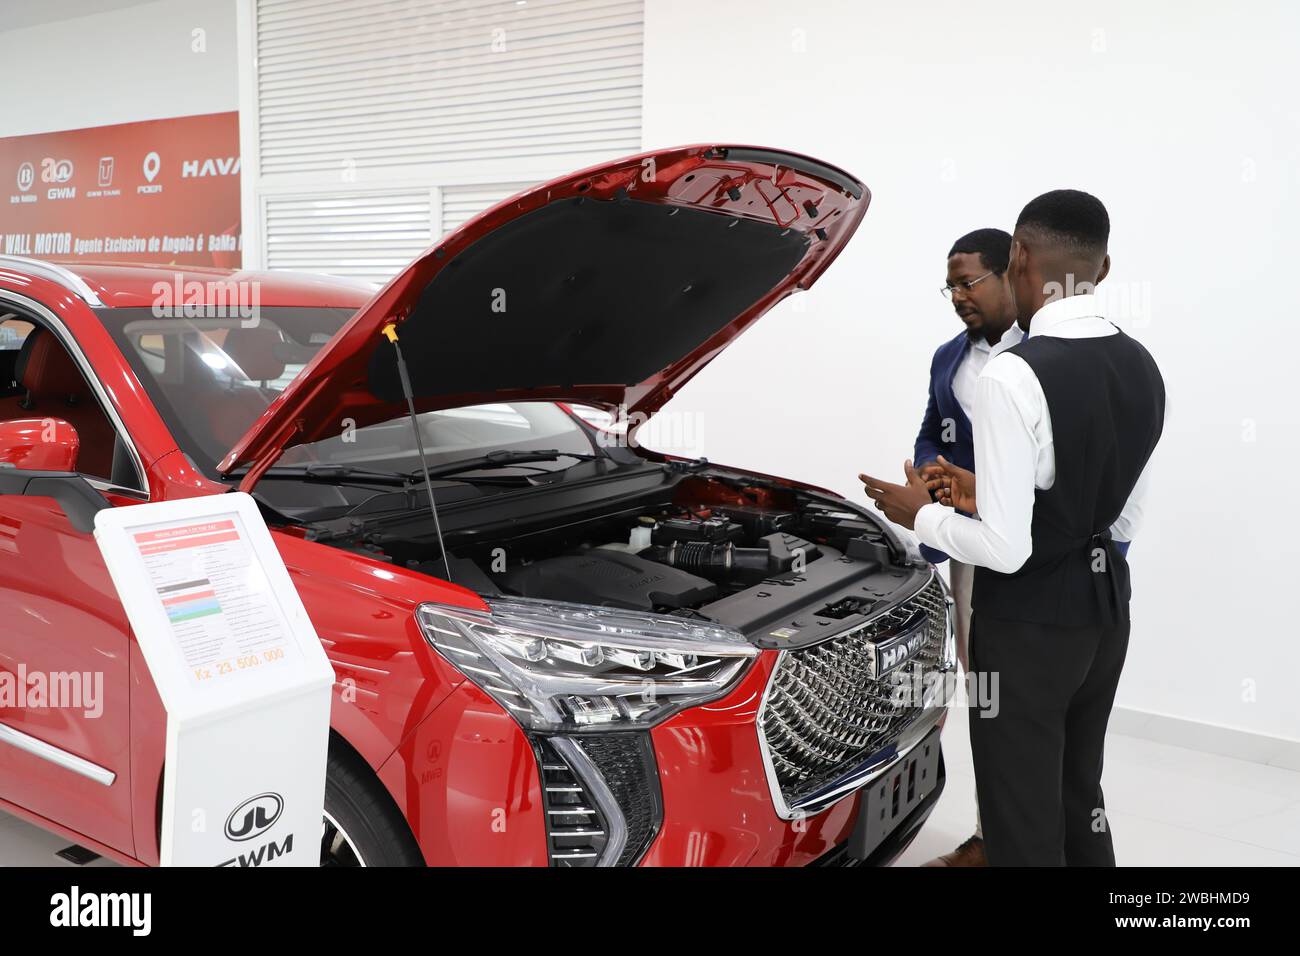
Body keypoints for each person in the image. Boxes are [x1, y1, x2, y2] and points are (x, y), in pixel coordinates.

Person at [858, 189, 1165, 866]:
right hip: (1107, 613)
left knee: (1020, 814)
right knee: (1078, 792)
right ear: (1103, 268)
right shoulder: (1143, 364)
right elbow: (1119, 515)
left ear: (1019, 255)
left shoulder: (1013, 374)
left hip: (1027, 626)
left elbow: (1005, 545)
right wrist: (985, 491)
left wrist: (924, 513)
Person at [912, 228, 1022, 867]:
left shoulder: (1047, 356)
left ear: (1013, 274)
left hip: (1038, 555)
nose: (956, 297)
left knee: (1031, 702)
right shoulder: (948, 356)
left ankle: (1029, 837)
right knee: (986, 692)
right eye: (949, 286)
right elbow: (933, 430)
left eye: (968, 282)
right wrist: (930, 471)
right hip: (969, 553)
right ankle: (989, 837)